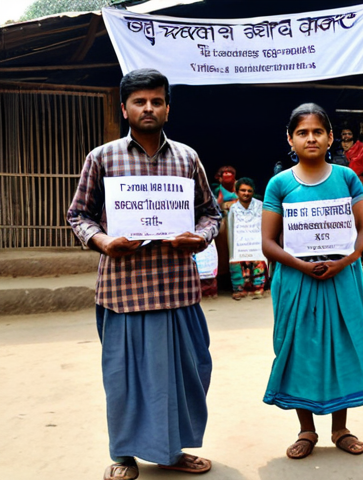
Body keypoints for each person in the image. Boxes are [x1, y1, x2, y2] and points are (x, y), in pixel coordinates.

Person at [67, 68, 220, 479]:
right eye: (139, 101)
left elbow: (211, 213)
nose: (148, 108)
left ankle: (172, 450)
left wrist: (199, 238)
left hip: (177, 290)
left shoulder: (187, 158)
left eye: (156, 101)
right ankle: (124, 455)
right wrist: (103, 242)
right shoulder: (102, 157)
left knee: (187, 376)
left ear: (168, 108)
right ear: (125, 108)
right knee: (125, 380)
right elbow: (78, 215)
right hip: (124, 291)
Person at [261, 103, 363, 459]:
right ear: (290, 139)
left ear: (329, 138)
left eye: (317, 132)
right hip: (296, 279)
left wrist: (346, 260)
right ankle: (306, 430)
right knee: (299, 350)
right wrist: (301, 265)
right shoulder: (280, 183)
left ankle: (340, 428)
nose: (310, 138)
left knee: (341, 346)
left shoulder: (346, 178)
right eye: (302, 132)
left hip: (342, 277)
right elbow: (267, 242)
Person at [228, 177, 268, 300]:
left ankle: (258, 288)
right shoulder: (233, 209)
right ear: (237, 192)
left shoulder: (260, 206)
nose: (246, 193)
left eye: (249, 191)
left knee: (258, 260)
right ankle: (239, 289)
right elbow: (231, 228)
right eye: (243, 190)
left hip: (256, 241)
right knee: (236, 261)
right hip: (240, 243)